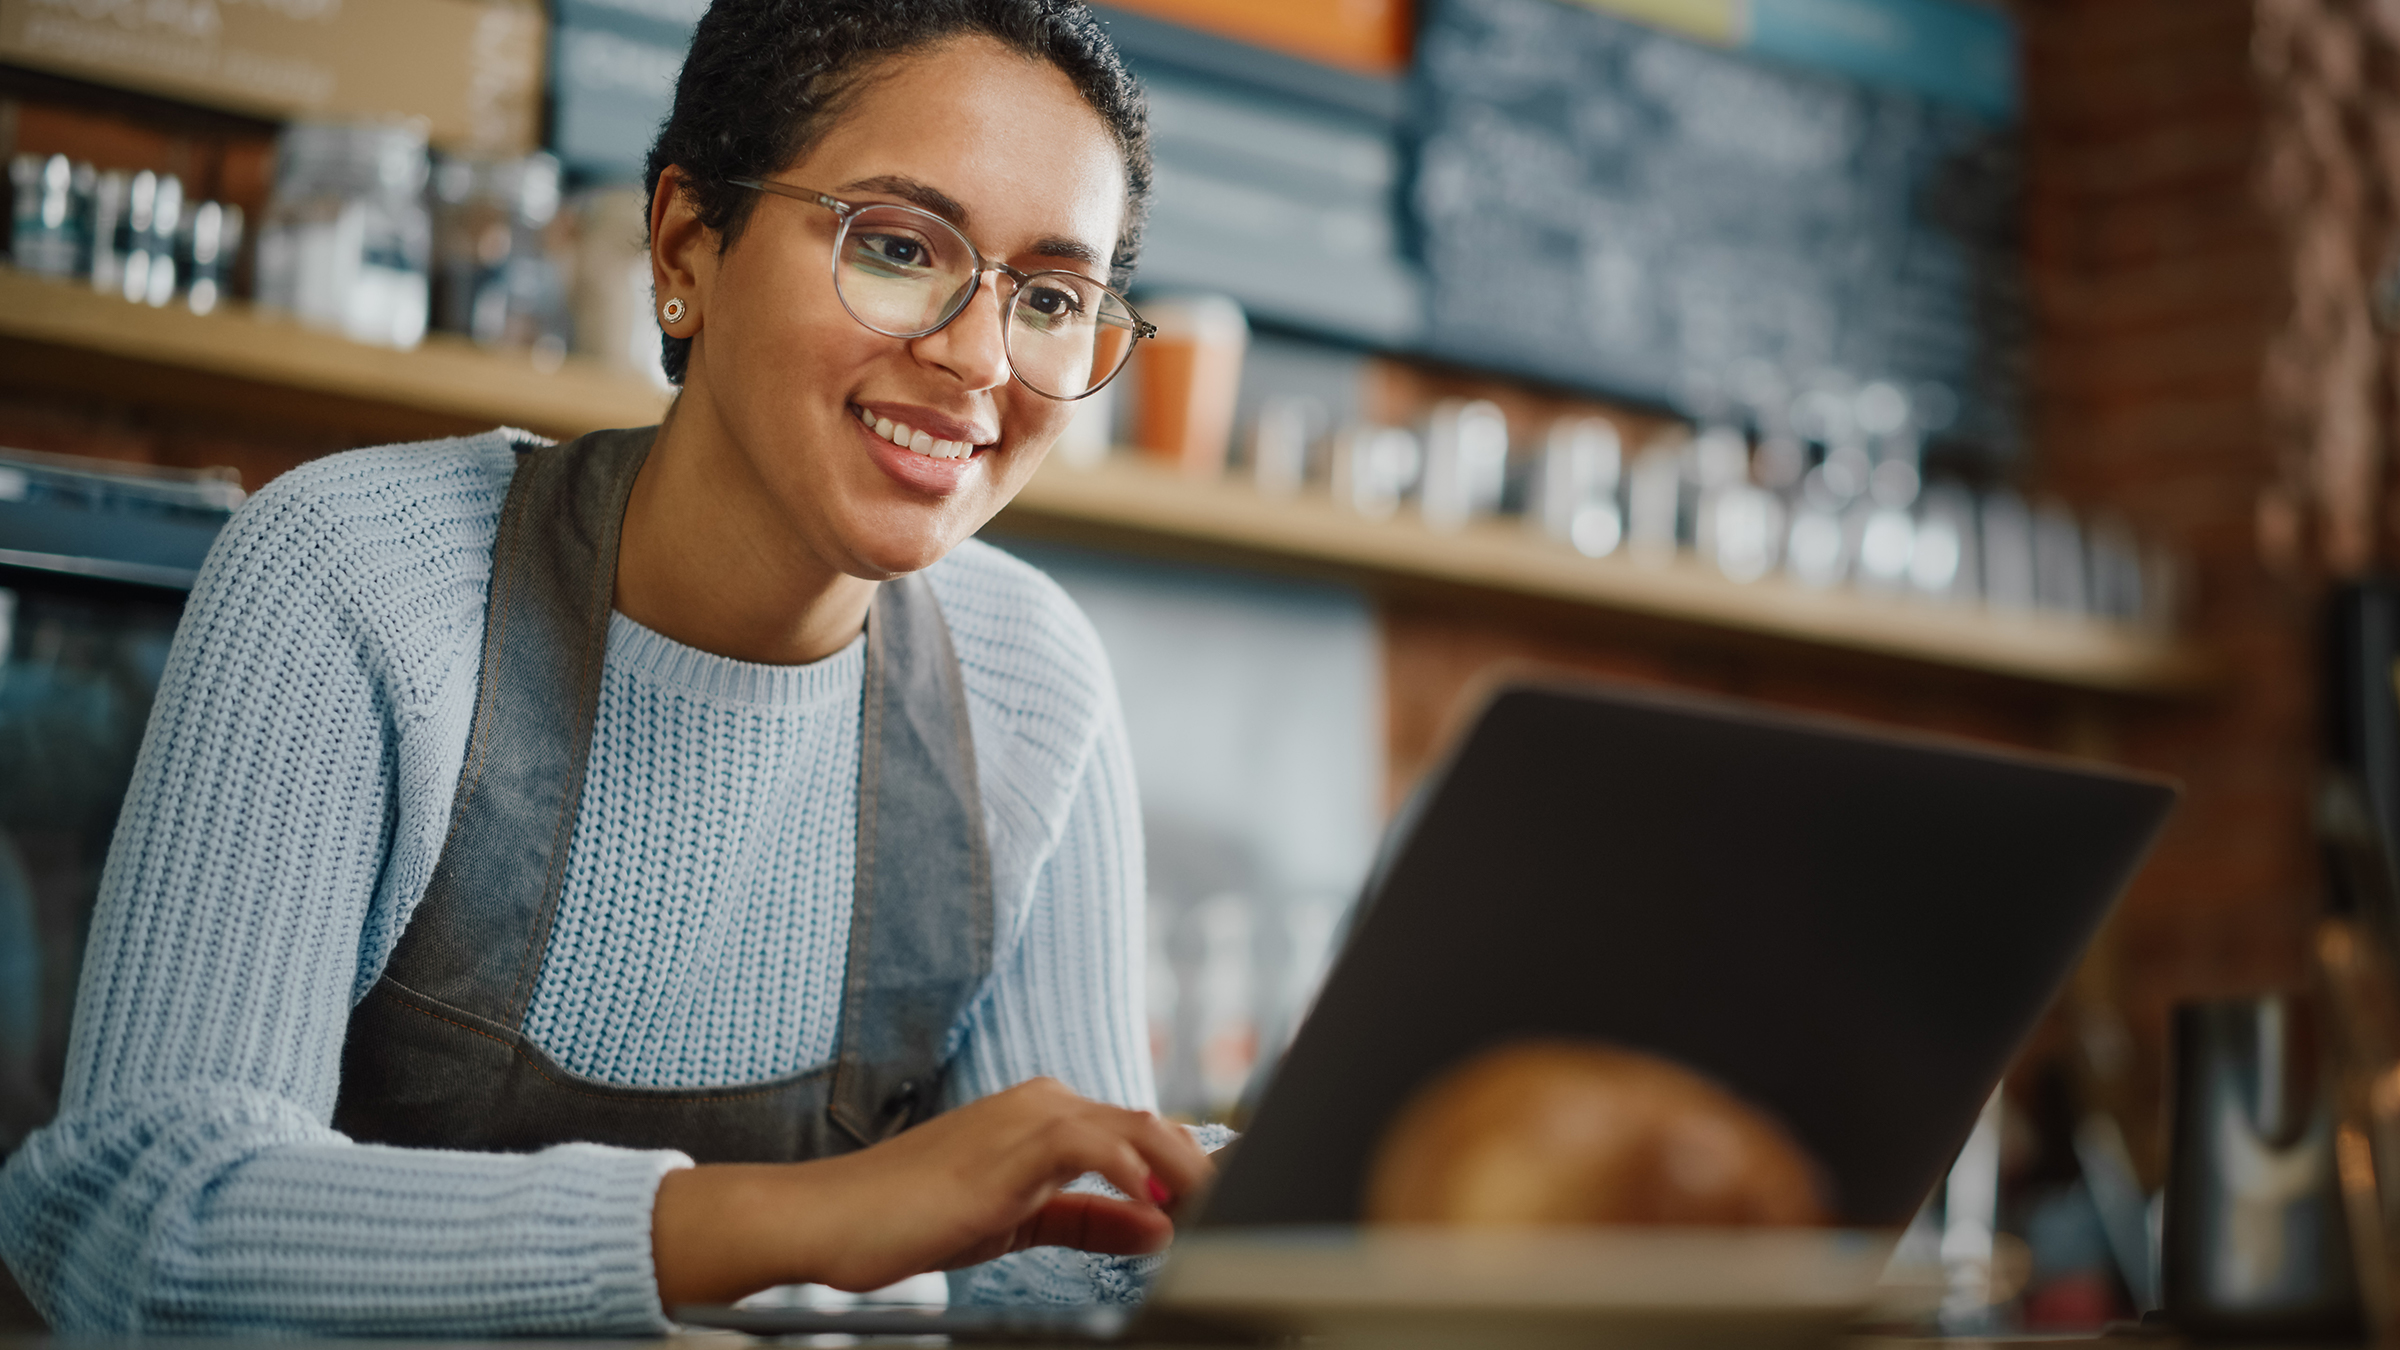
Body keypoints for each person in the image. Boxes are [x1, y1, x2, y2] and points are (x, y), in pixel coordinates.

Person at [0, 0, 1225, 1333]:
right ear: (688, 242)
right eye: (893, 246)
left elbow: (1048, 1292)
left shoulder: (1031, 683)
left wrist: (1207, 1226)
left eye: (1051, 297)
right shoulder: (358, 573)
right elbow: (131, 1216)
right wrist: (814, 1215)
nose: (980, 358)